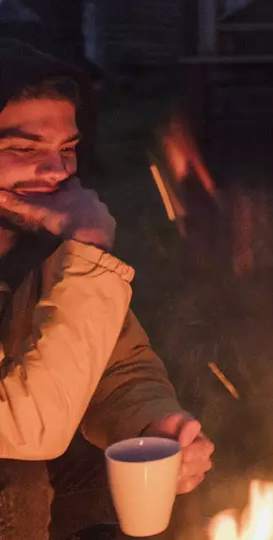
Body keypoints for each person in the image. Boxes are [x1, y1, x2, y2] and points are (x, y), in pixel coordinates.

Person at [0, 38, 213, 539]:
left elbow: (117, 366)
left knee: (144, 480)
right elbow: (26, 427)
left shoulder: (36, 244)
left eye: (66, 149)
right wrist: (91, 243)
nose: (56, 172)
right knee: (15, 480)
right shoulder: (69, 235)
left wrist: (149, 426)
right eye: (22, 148)